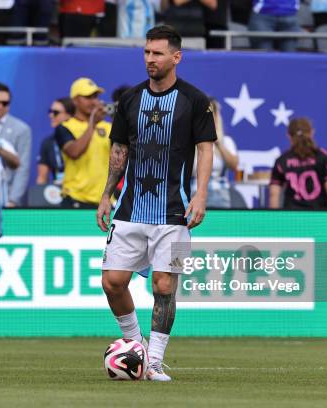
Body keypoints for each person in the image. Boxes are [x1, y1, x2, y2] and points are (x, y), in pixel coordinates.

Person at [97, 25, 216, 381]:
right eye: (147, 53)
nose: (151, 59)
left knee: (164, 286)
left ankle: (154, 360)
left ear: (176, 57)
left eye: (158, 53)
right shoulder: (130, 100)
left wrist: (201, 193)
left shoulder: (195, 101)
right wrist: (107, 193)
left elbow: (205, 148)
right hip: (130, 209)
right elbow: (119, 149)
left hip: (175, 212)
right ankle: (137, 346)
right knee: (112, 282)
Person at [55, 77, 112, 208]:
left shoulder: (108, 127)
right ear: (75, 100)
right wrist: (92, 124)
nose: (94, 101)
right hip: (76, 199)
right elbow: (74, 152)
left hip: (104, 201)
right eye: (88, 97)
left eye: (96, 96)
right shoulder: (64, 127)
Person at [269, 117, 327, 209]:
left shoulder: (282, 160)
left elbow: (274, 194)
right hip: (319, 216)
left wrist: (275, 219)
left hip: (292, 217)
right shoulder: (323, 156)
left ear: (288, 136)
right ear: (312, 132)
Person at [0, 82, 32, 207]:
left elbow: (23, 167)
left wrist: (13, 199)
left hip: (5, 196)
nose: (0, 106)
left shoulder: (21, 129)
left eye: (5, 103)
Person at [191, 98, 238, 208]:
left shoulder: (227, 141)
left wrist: (219, 144)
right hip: (194, 193)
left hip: (220, 194)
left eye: (212, 113)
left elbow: (234, 165)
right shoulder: (189, 141)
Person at [36, 97, 74, 185]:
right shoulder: (48, 142)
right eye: (50, 111)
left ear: (69, 115)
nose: (51, 115)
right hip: (59, 192)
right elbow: (42, 177)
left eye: (56, 113)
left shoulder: (82, 139)